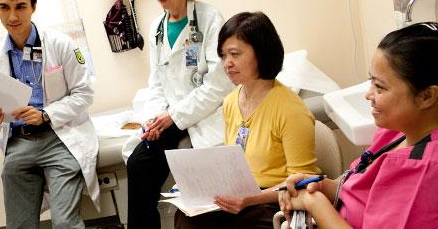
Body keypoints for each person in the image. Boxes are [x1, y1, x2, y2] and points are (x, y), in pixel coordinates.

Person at [278, 22, 438, 228]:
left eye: (380, 87)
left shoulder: (423, 169)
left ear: (427, 96)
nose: (368, 95)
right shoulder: (395, 132)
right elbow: (362, 192)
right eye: (371, 81)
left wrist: (314, 203)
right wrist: (324, 186)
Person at [123, 0, 235, 229]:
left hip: (203, 113)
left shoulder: (210, 19)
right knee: (139, 164)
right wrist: (155, 118)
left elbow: (219, 83)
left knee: (210, 186)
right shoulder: (157, 28)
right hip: (170, 116)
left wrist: (173, 115)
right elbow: (156, 81)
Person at [175, 12, 321, 228]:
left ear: (261, 53)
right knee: (187, 216)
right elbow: (233, 163)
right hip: (242, 199)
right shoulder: (231, 102)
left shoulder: (290, 110)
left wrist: (249, 200)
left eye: (235, 54)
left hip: (276, 203)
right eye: (223, 56)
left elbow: (303, 182)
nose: (227, 64)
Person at [0, 0, 98, 229]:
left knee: (65, 224)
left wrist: (46, 114)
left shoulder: (62, 45)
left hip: (59, 138)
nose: (12, 17)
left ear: (33, 6)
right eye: (4, 8)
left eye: (20, 7)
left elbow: (84, 93)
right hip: (19, 144)